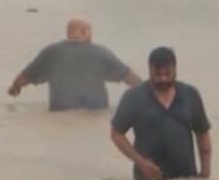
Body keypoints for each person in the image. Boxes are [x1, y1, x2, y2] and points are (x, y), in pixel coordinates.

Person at [111, 47, 212, 180]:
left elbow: (202, 133)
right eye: (157, 74)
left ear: (175, 69)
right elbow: (116, 134)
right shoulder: (133, 97)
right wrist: (140, 162)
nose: (163, 78)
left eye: (167, 73)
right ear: (149, 70)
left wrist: (205, 172)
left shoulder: (190, 95)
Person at [8, 18, 141, 111]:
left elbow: (24, 77)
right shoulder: (102, 52)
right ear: (85, 32)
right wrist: (149, 91)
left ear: (69, 32)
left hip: (60, 111)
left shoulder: (51, 52)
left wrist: (15, 88)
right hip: (95, 112)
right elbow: (129, 77)